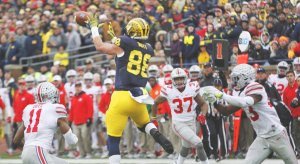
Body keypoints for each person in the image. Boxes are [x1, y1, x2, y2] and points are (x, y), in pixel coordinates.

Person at [86, 16, 173, 163]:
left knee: (113, 138)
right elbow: (129, 47)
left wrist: (94, 28)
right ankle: (154, 132)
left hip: (122, 96)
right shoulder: (149, 49)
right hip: (140, 95)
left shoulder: (124, 43)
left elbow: (100, 46)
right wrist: (118, 41)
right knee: (143, 124)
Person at [203, 64, 297, 164]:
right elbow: (226, 111)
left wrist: (221, 95)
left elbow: (245, 102)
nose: (235, 81)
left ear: (245, 77)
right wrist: (214, 102)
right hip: (262, 138)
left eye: (237, 78)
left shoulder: (256, 86)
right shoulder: (242, 92)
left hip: (277, 134)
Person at [151, 68, 209, 164]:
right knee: (199, 144)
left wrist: (203, 114)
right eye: (176, 79)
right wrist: (153, 118)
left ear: (186, 78)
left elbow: (203, 104)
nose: (179, 81)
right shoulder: (168, 90)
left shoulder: (192, 87)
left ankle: (178, 162)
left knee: (186, 147)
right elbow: (155, 102)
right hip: (178, 123)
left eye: (181, 78)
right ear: (173, 80)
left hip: (191, 122)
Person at [13, 82, 78, 164]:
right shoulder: (55, 108)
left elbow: (16, 140)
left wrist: (28, 150)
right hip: (38, 151)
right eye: (53, 94)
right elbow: (67, 134)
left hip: (27, 153)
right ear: (47, 96)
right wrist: (73, 139)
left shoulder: (28, 109)